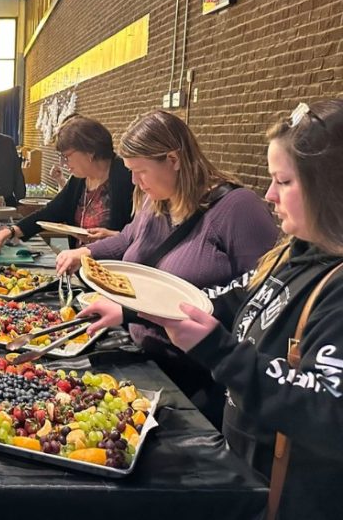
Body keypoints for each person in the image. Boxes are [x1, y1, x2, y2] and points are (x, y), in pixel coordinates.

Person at [126, 99, 343, 520]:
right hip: (245, 477)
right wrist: (145, 308)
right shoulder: (289, 255)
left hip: (294, 500)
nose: (269, 195)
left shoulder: (334, 288)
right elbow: (229, 298)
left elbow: (328, 412)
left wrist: (219, 351)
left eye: (283, 181)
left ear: (329, 188)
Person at [57, 109, 279, 426]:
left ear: (173, 160)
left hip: (195, 377)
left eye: (141, 170)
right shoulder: (153, 200)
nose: (133, 180)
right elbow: (127, 240)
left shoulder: (238, 209)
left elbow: (258, 296)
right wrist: (87, 252)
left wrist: (132, 311)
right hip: (144, 357)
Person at [0, 115, 134, 260]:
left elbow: (145, 237)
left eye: (66, 156)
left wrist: (114, 236)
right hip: (80, 266)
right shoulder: (80, 180)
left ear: (89, 152)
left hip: (114, 273)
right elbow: (50, 212)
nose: (64, 164)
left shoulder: (128, 178)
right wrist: (8, 232)